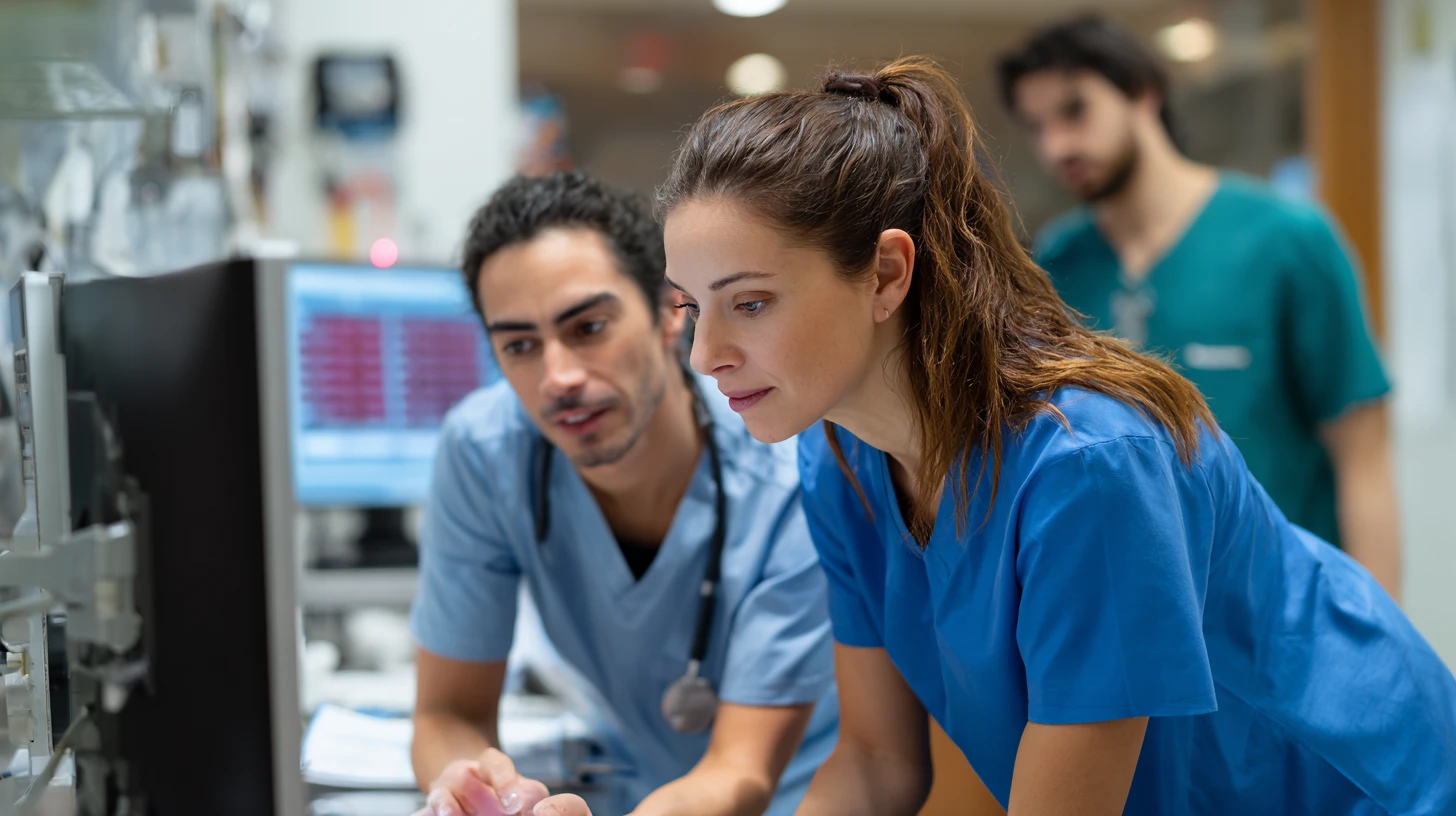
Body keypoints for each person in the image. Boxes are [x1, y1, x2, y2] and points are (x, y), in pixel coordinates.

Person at [535, 57, 1456, 816]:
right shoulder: (842, 457)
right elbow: (879, 770)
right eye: (693, 309)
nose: (706, 355)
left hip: (1364, 788)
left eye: (751, 303)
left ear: (888, 273)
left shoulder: (1088, 467)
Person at [410, 172, 838, 816]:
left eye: (588, 328)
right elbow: (448, 711)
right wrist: (473, 784)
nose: (558, 378)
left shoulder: (788, 467)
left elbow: (740, 771)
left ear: (670, 312)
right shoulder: (485, 452)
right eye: (520, 345)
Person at [995, 16, 1402, 599]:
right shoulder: (1056, 264)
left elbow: (1363, 459)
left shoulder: (1287, 239)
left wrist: (1377, 634)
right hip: (1130, 609)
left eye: (1075, 111)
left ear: (1143, 93)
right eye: (1037, 126)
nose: (1057, 145)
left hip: (1282, 608)